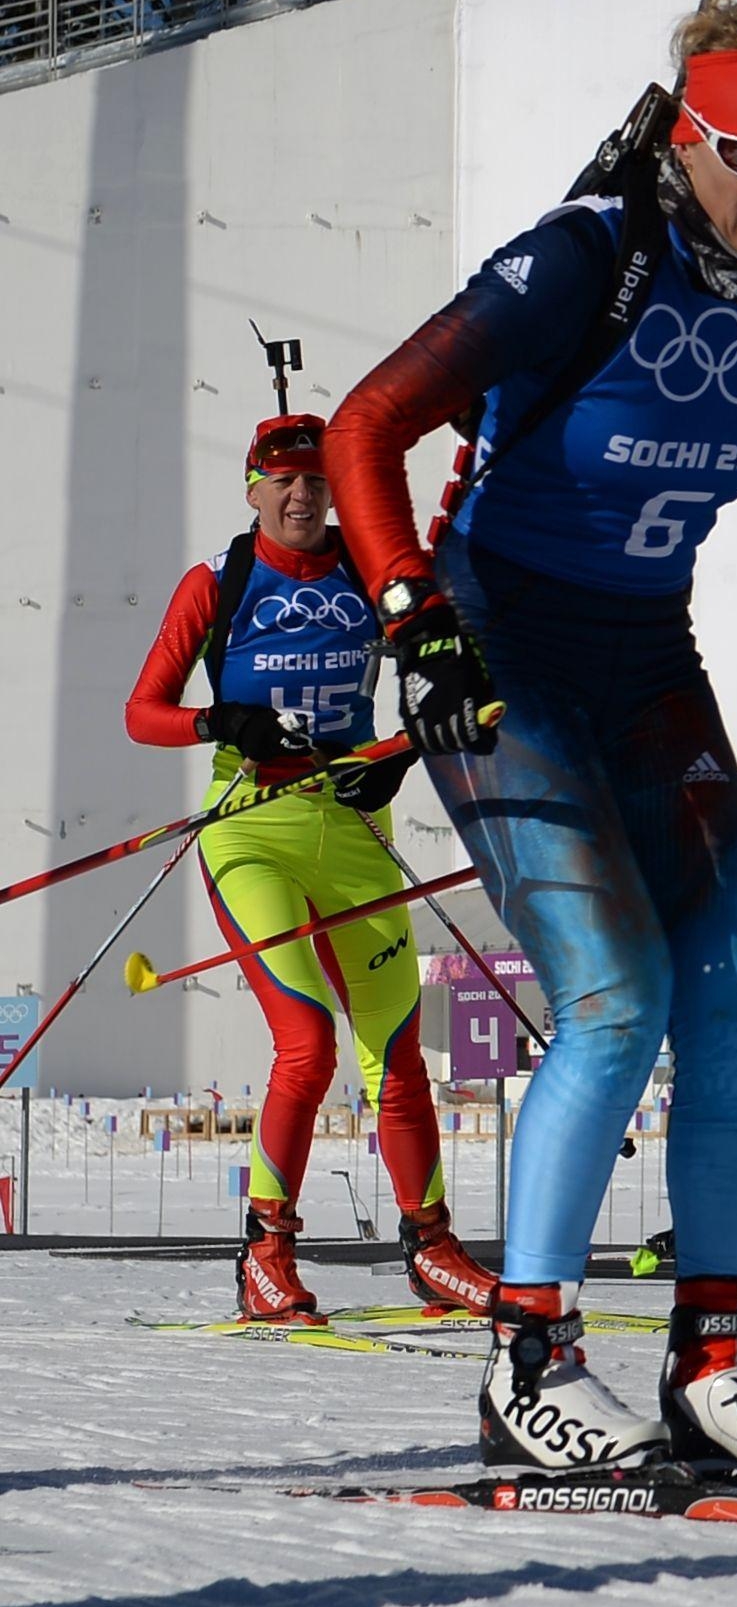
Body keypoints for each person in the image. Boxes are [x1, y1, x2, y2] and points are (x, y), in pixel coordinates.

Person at [326, 0, 737, 1473]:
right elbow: (367, 426)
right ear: (687, 135)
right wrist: (411, 609)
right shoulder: (584, 258)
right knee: (616, 999)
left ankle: (712, 1362)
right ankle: (528, 1360)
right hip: (501, 653)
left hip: (648, 657)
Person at [126, 412, 498, 1323]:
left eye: (317, 480)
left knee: (398, 1051)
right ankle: (265, 1252)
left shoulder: (373, 575)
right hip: (250, 825)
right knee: (307, 1039)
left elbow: (442, 682)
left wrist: (399, 754)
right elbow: (143, 713)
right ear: (253, 488)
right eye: (283, 480)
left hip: (348, 826)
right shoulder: (221, 581)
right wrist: (223, 722)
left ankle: (432, 1248)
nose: (301, 495)